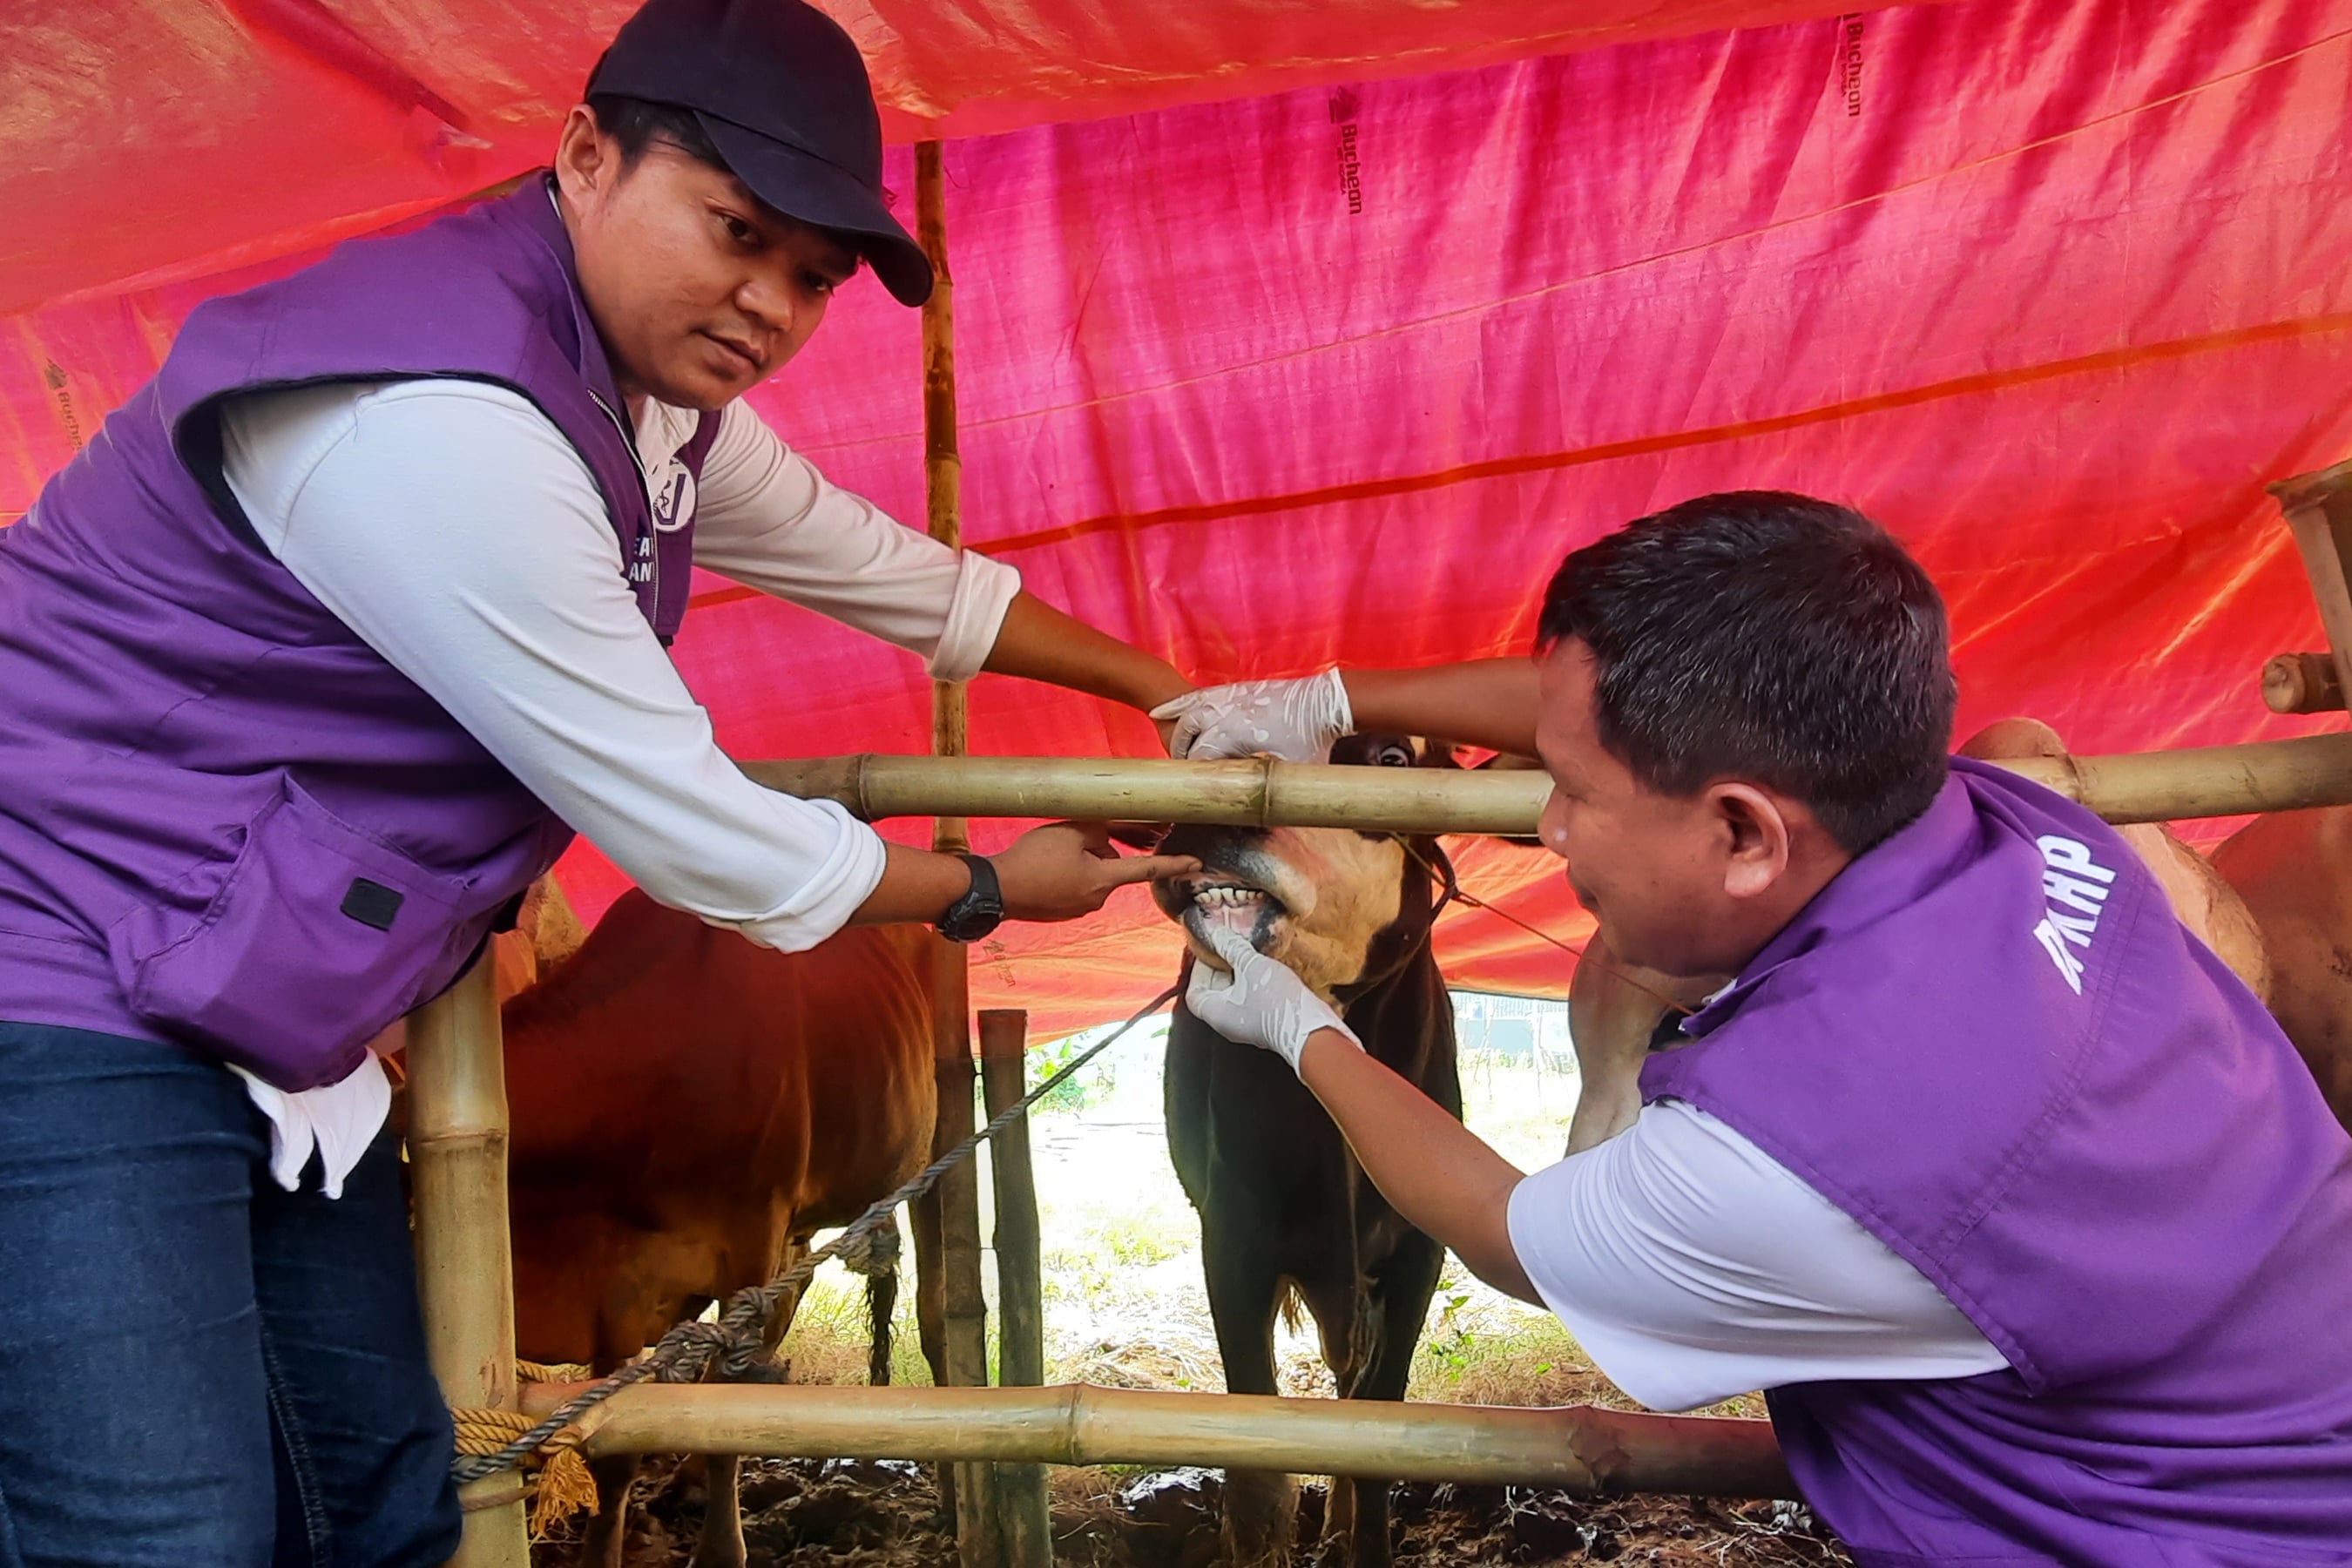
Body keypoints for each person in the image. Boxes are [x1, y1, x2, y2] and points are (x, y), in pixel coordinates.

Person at [0, 0, 1202, 1559]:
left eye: (812, 278)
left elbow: (900, 577)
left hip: (256, 1011)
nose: (767, 303)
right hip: (57, 980)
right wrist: (983, 886)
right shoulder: (439, 421)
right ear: (582, 156)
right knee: (160, 1533)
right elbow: (699, 829)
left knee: (373, 1504)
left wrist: (1161, 684)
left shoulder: (653, 407)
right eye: (734, 231)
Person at [1160, 491, 2352, 1565]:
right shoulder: (2019, 823)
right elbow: (1591, 704)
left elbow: (1501, 1235)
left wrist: (1298, 1025)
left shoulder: (1808, 1155)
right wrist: (1334, 697)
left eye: (1573, 793)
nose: (1552, 831)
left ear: (1743, 834)